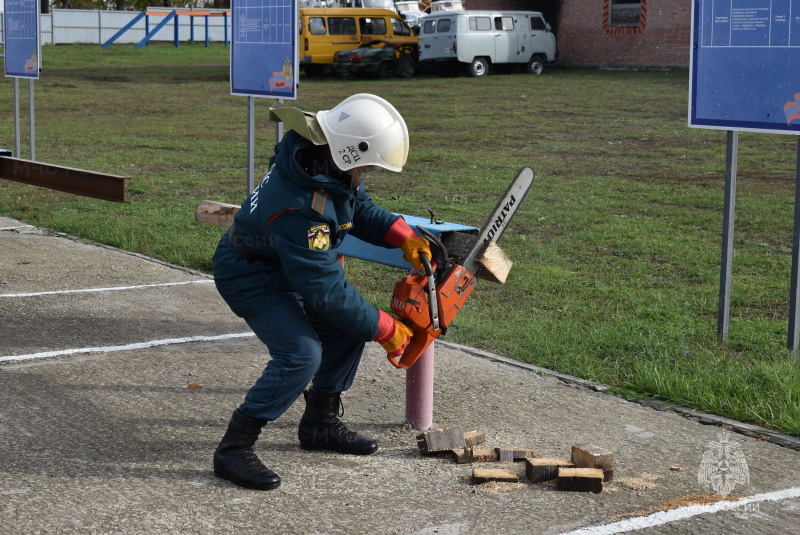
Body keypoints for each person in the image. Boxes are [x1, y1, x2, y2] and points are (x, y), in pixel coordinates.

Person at [211, 94, 431, 491]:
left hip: (284, 263)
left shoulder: (322, 164)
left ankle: (319, 425)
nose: (368, 173)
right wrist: (386, 328)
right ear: (349, 152)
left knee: (346, 328)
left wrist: (403, 236)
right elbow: (325, 290)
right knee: (301, 355)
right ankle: (233, 448)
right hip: (251, 275)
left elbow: (356, 207)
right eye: (367, 164)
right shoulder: (299, 206)